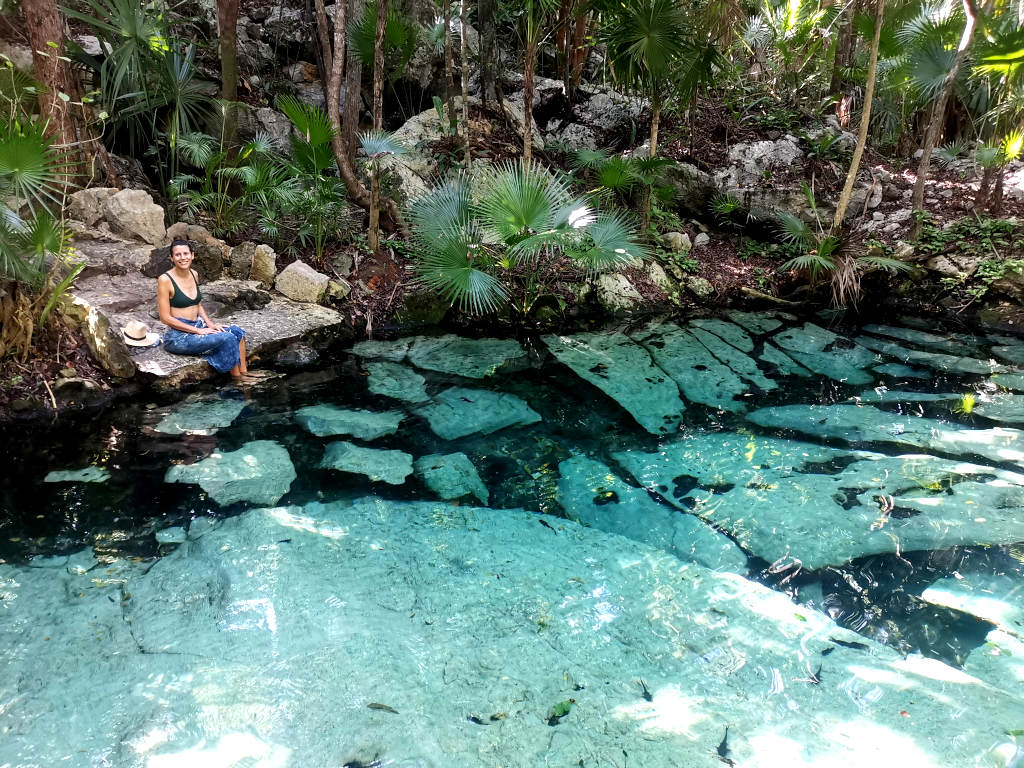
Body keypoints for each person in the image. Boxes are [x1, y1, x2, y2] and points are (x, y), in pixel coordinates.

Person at [157, 239, 265, 381]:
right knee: (227, 338)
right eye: (178, 255)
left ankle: (244, 372)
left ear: (192, 255)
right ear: (172, 258)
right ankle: (238, 379)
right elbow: (165, 318)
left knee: (237, 332)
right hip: (178, 337)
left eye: (186, 253)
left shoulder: (194, 274)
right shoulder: (165, 280)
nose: (183, 258)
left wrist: (210, 324)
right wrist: (198, 331)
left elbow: (198, 305)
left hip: (198, 325)